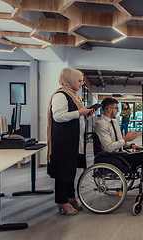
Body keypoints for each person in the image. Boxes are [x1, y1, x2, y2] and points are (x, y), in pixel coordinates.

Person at [94, 97, 143, 200]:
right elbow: (109, 147)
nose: (118, 111)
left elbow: (119, 142)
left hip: (120, 155)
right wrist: (125, 139)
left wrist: (131, 145)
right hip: (112, 157)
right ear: (109, 109)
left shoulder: (114, 122)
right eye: (116, 108)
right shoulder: (101, 124)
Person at [47, 68, 96, 216]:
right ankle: (62, 201)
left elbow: (74, 118)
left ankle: (70, 197)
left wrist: (86, 114)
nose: (81, 83)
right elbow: (59, 117)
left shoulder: (74, 96)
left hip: (73, 140)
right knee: (63, 172)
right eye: (79, 80)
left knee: (70, 171)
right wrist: (80, 112)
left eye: (82, 81)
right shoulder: (61, 95)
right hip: (64, 141)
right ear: (69, 79)